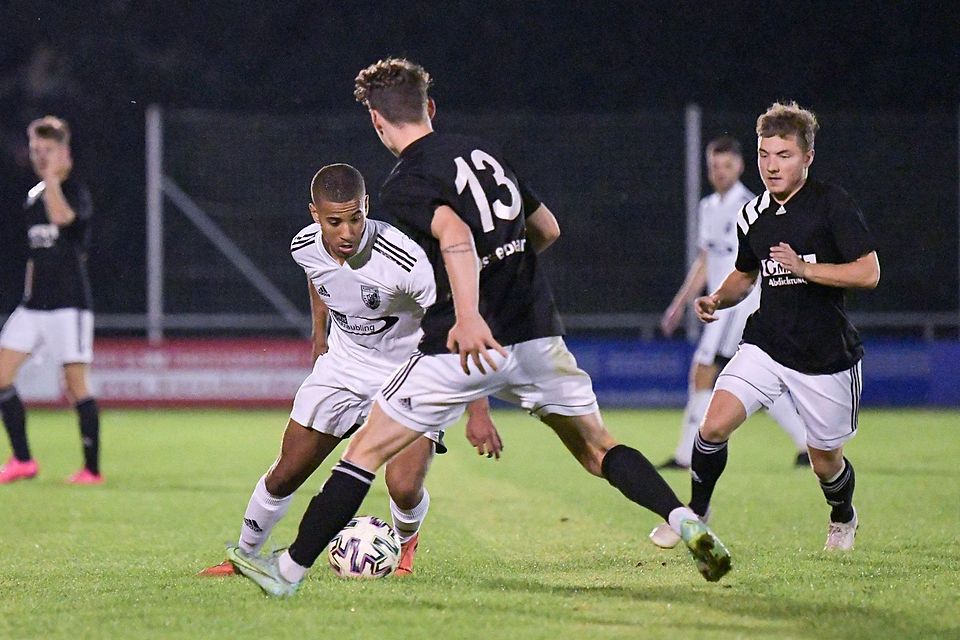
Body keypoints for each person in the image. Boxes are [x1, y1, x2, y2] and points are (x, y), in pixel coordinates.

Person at [227, 58, 731, 597]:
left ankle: (286, 573)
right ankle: (683, 520)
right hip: (536, 330)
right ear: (431, 109)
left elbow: (454, 235)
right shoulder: (487, 154)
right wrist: (501, 269)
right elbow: (547, 229)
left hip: (464, 345)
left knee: (364, 453)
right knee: (598, 449)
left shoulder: (407, 184)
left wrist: (468, 313)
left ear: (377, 122)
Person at [202, 163, 500, 577]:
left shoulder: (404, 261)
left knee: (403, 486)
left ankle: (406, 542)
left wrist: (479, 409)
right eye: (334, 221)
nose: (346, 232)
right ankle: (244, 557)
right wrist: (318, 334)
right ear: (314, 215)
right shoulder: (304, 245)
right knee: (286, 471)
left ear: (367, 206)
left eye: (356, 217)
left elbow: (459, 320)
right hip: (343, 365)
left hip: (410, 370)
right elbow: (319, 278)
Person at [687, 102, 879, 551]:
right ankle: (694, 516)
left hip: (825, 354)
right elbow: (745, 273)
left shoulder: (832, 204)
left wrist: (806, 269)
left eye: (784, 155)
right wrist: (716, 297)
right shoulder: (753, 213)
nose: (771, 166)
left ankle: (843, 516)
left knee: (824, 463)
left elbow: (868, 273)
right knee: (712, 426)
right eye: (764, 155)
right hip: (766, 344)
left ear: (807, 157)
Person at [657, 136, 808, 472]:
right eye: (714, 166)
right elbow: (705, 260)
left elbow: (758, 264)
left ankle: (686, 454)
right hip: (719, 303)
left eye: (727, 166)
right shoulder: (708, 206)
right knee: (752, 377)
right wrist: (679, 304)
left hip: (738, 303)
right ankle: (806, 443)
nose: (720, 172)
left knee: (704, 371)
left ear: (740, 166)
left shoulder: (750, 205)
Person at [0, 115, 102, 485]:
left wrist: (52, 181)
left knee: (76, 386)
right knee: (1, 376)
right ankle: (23, 460)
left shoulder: (74, 189)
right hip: (33, 305)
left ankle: (92, 470)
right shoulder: (33, 196)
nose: (40, 157)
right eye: (35, 150)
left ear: (64, 152)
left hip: (68, 305)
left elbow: (63, 221)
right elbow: (33, 253)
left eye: (48, 151)